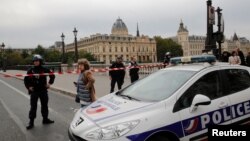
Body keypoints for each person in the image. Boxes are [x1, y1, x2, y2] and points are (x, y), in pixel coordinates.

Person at [24, 54, 55, 130]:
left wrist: (49, 83)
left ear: (40, 61)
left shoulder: (44, 69)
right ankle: (31, 122)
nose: (35, 62)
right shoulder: (30, 70)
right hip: (34, 91)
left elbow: (52, 75)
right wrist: (29, 87)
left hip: (43, 91)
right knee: (33, 107)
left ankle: (45, 119)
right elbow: (26, 80)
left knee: (45, 105)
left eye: (37, 61)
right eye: (34, 61)